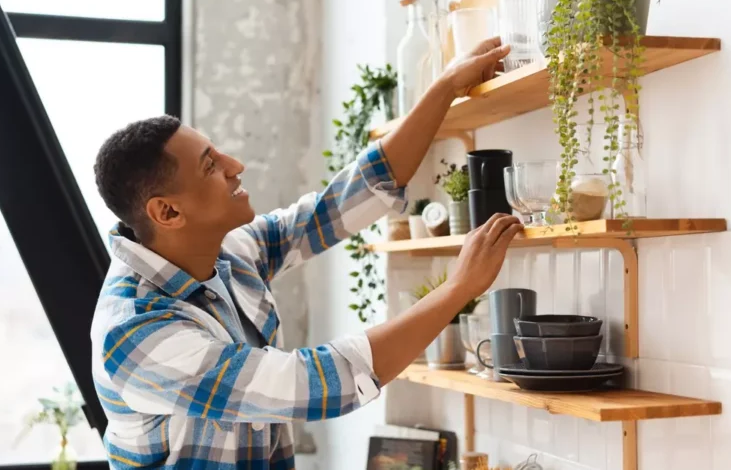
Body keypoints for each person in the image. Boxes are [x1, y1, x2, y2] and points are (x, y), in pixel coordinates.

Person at [90, 37, 523, 469]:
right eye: (210, 165)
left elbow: (342, 202)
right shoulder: (134, 331)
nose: (234, 165)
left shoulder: (228, 254)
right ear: (167, 211)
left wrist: (445, 86)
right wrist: (458, 289)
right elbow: (313, 385)